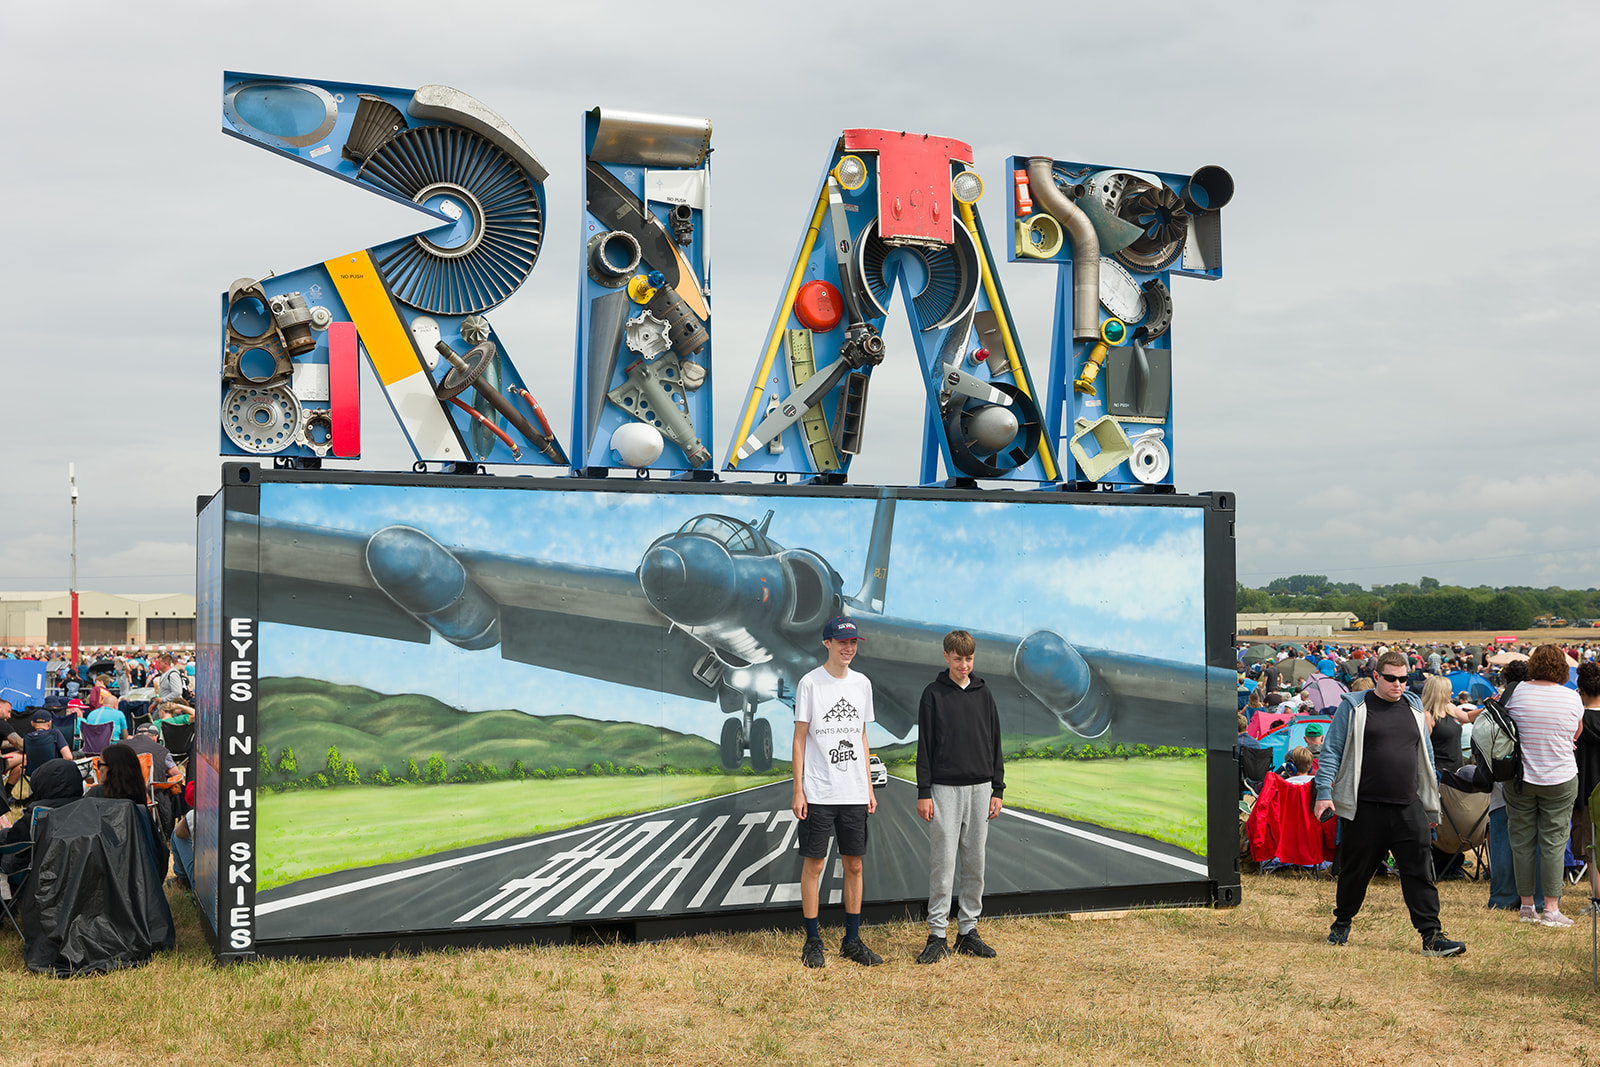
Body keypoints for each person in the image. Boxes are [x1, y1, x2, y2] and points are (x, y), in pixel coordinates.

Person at [1313, 651, 1465, 957]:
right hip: (1365, 806)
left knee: (1420, 871)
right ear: (1377, 677)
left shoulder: (1414, 706)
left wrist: (1430, 803)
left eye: (1403, 679)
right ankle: (1342, 922)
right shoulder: (1354, 707)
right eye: (1392, 679)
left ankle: (1431, 936)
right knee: (1356, 870)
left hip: (1409, 805)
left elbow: (1426, 758)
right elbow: (1331, 751)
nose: (1398, 685)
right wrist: (1323, 793)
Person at [791, 615, 881, 969]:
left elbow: (861, 735)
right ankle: (813, 940)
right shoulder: (810, 684)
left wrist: (869, 785)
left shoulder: (862, 684)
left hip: (854, 791)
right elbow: (800, 739)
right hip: (818, 791)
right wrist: (798, 789)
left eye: (853, 642)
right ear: (826, 643)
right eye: (842, 642)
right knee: (815, 864)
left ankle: (852, 940)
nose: (848, 648)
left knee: (854, 865)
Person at [914, 630, 1005, 964]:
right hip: (943, 790)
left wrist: (997, 788)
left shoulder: (984, 694)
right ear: (946, 657)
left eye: (968, 659)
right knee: (943, 863)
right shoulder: (933, 695)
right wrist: (924, 792)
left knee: (975, 862)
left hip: (981, 789)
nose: (963, 665)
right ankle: (938, 934)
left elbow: (995, 742)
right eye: (957, 659)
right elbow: (924, 749)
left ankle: (968, 930)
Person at [1503, 644, 1585, 928]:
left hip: (1520, 777)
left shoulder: (1515, 693)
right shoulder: (1572, 698)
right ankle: (1551, 908)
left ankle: (1527, 906)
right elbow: (1577, 732)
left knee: (1522, 842)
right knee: (1553, 842)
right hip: (1560, 776)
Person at [1573, 662, 1600, 913]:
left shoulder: (1578, 721)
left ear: (1581, 690)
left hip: (1587, 790)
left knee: (1590, 846)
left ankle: (1598, 899)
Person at [22, 709, 73, 778]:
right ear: (49, 723)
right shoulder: (54, 733)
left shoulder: (28, 737)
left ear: (32, 723)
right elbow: (68, 757)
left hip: (34, 778)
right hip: (54, 776)